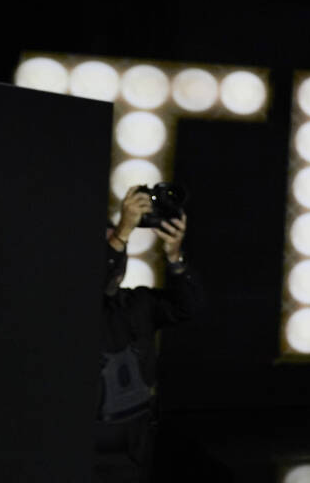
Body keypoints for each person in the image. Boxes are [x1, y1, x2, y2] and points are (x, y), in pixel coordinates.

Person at [94, 185, 203, 482]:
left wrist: (175, 257)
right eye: (107, 244)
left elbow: (187, 307)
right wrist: (121, 231)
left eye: (117, 244)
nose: (116, 249)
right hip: (90, 447)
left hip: (136, 445)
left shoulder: (136, 303)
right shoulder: (72, 307)